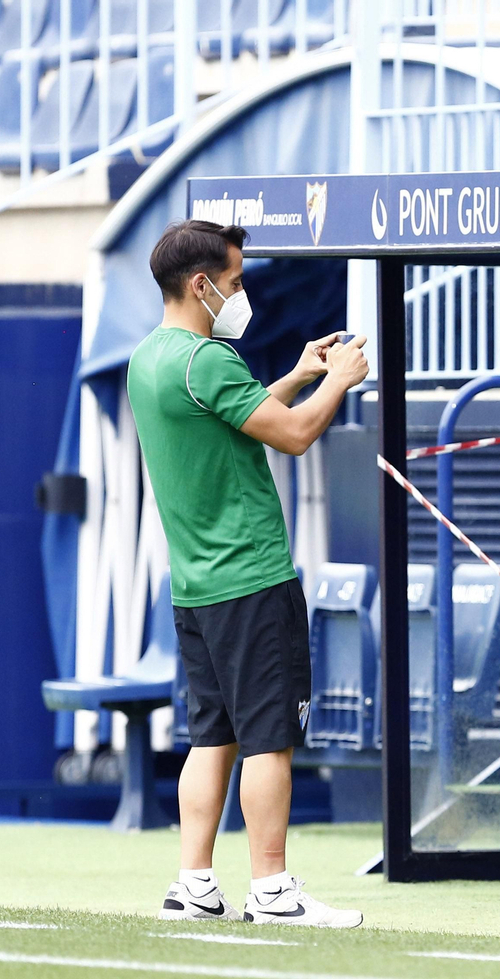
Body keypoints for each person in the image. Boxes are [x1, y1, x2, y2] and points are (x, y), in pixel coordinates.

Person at [130, 219, 369, 928]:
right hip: (252, 577)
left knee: (213, 736)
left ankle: (194, 885)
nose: (241, 294)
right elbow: (292, 434)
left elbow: (228, 414)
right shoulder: (209, 360)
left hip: (197, 586)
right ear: (200, 285)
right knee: (269, 738)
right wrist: (341, 383)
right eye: (234, 283)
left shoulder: (154, 358)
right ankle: (273, 892)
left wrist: (298, 374)